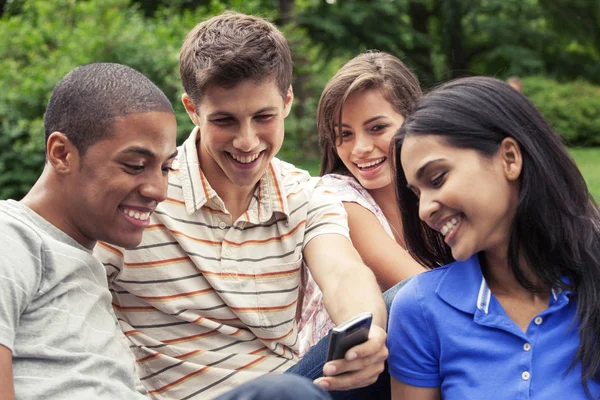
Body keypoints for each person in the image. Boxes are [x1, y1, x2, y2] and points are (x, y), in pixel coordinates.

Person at [94, 11, 388, 399]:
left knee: (408, 307)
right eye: (225, 121)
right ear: (192, 110)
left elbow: (343, 273)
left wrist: (366, 333)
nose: (247, 141)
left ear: (286, 102)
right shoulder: (142, 195)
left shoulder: (307, 195)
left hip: (291, 386)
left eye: (263, 116)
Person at [388, 76, 600, 399]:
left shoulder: (592, 282)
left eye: (437, 178)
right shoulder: (420, 310)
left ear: (510, 159)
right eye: (417, 193)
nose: (423, 210)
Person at [0, 63, 179, 399]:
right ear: (62, 154)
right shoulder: (11, 237)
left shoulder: (84, 260)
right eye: (135, 166)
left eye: (166, 167)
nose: (159, 189)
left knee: (308, 371)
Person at [298, 52, 426, 355]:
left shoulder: (436, 196)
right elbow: (420, 288)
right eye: (345, 134)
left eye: (377, 128)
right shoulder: (336, 197)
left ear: (413, 120)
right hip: (336, 369)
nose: (361, 148)